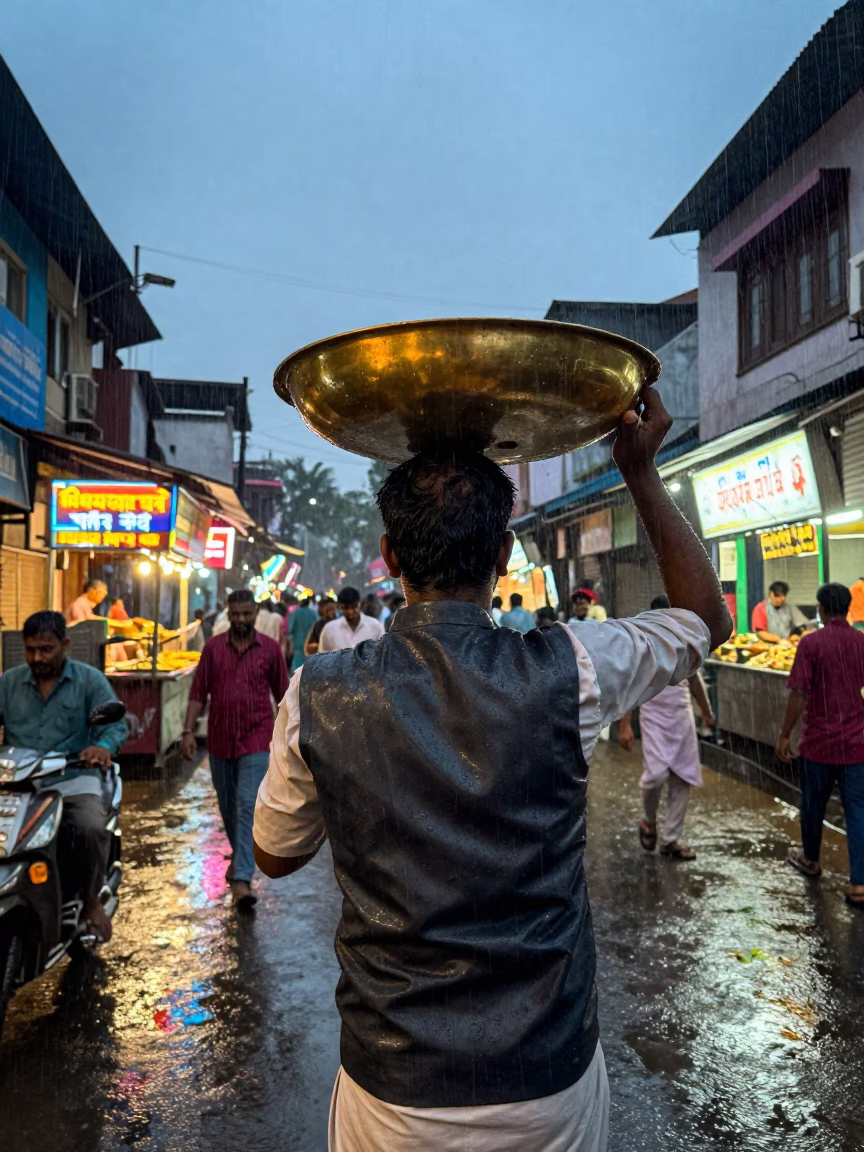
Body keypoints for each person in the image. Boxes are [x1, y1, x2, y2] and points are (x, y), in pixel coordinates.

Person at [254, 387, 731, 1152]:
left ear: (391, 557)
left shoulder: (320, 692)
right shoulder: (573, 664)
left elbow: (275, 856)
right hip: (546, 1078)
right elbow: (707, 617)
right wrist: (641, 471)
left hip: (393, 1087)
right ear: (505, 555)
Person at [0, 611, 127, 941]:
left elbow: (116, 724)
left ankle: (89, 901)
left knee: (88, 826)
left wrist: (102, 747)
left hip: (73, 775)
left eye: (46, 649)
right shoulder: (9, 682)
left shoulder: (88, 680)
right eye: (30, 650)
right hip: (18, 782)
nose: (37, 657)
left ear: (65, 645)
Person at [181, 590, 288, 909]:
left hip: (257, 737)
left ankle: (242, 879)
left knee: (245, 805)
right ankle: (239, 860)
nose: (241, 620)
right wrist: (187, 731)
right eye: (236, 614)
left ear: (256, 613)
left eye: (247, 614)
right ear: (228, 614)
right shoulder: (213, 649)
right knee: (227, 807)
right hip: (219, 739)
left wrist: (287, 739)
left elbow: (283, 695)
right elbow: (198, 691)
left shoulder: (270, 650)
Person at [776, 582, 864, 909]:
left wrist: (785, 734)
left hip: (819, 743)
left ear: (822, 610)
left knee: (813, 803)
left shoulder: (811, 644)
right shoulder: (861, 643)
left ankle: (811, 860)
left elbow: (798, 693)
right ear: (847, 608)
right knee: (857, 809)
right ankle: (860, 884)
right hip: (857, 744)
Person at [618, 595, 715, 861]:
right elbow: (631, 687)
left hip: (682, 716)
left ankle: (672, 839)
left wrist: (707, 713)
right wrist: (625, 725)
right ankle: (648, 820)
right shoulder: (642, 647)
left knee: (682, 778)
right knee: (656, 775)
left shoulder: (686, 644)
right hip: (654, 717)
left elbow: (696, 684)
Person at [318, 587, 385, 652]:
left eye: (354, 606)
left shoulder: (376, 626)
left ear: (360, 605)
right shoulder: (329, 629)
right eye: (345, 608)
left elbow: (384, 654)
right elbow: (322, 659)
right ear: (339, 607)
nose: (350, 611)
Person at [287, 596, 318, 673]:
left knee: (297, 671)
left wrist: (290, 645)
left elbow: (290, 630)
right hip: (310, 645)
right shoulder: (314, 614)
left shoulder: (294, 613)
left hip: (298, 645)